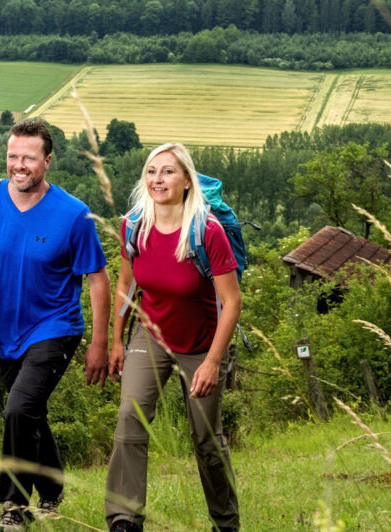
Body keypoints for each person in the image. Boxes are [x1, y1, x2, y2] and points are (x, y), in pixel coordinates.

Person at [0, 119, 111, 532]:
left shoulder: (73, 215)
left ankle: (14, 508)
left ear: (47, 161)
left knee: (18, 409)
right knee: (30, 413)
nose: (19, 165)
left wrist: (100, 343)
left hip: (55, 328)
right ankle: (52, 490)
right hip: (4, 332)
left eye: (29, 158)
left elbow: (98, 279)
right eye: (12, 156)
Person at [104, 143, 241, 532]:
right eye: (151, 171)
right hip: (152, 336)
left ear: (186, 182)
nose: (157, 179)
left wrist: (213, 361)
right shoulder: (133, 225)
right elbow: (126, 286)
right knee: (131, 419)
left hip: (203, 343)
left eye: (167, 172)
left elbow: (232, 302)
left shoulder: (207, 232)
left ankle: (225, 522)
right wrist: (117, 342)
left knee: (206, 439)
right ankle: (124, 520)